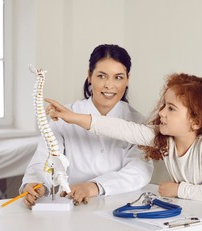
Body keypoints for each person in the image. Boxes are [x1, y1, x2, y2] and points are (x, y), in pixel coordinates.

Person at [45, 73, 202, 202]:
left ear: (196, 122)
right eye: (164, 106)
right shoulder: (165, 139)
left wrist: (179, 189)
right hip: (200, 218)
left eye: (171, 109)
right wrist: (73, 117)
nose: (161, 113)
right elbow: (121, 128)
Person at [21, 44, 154, 208]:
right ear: (90, 76)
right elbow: (45, 159)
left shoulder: (138, 123)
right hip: (73, 205)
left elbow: (140, 170)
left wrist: (94, 186)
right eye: (102, 76)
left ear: (127, 79)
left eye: (118, 77)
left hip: (123, 205)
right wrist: (37, 183)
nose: (109, 85)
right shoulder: (64, 116)